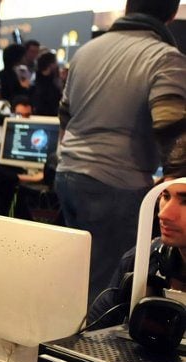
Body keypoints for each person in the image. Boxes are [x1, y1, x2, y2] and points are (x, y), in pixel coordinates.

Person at [55, 0, 186, 304]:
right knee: (107, 289)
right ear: (171, 15)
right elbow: (172, 132)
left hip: (68, 175)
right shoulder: (164, 57)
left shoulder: (86, 52)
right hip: (117, 183)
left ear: (127, 8)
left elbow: (65, 115)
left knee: (76, 277)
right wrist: (176, 186)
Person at [88, 136, 186, 328]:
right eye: (165, 196)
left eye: (185, 201)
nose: (164, 214)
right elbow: (91, 333)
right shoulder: (142, 259)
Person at [31, 51, 62, 117]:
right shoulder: (51, 84)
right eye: (55, 62)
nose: (57, 65)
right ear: (50, 64)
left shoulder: (35, 81)